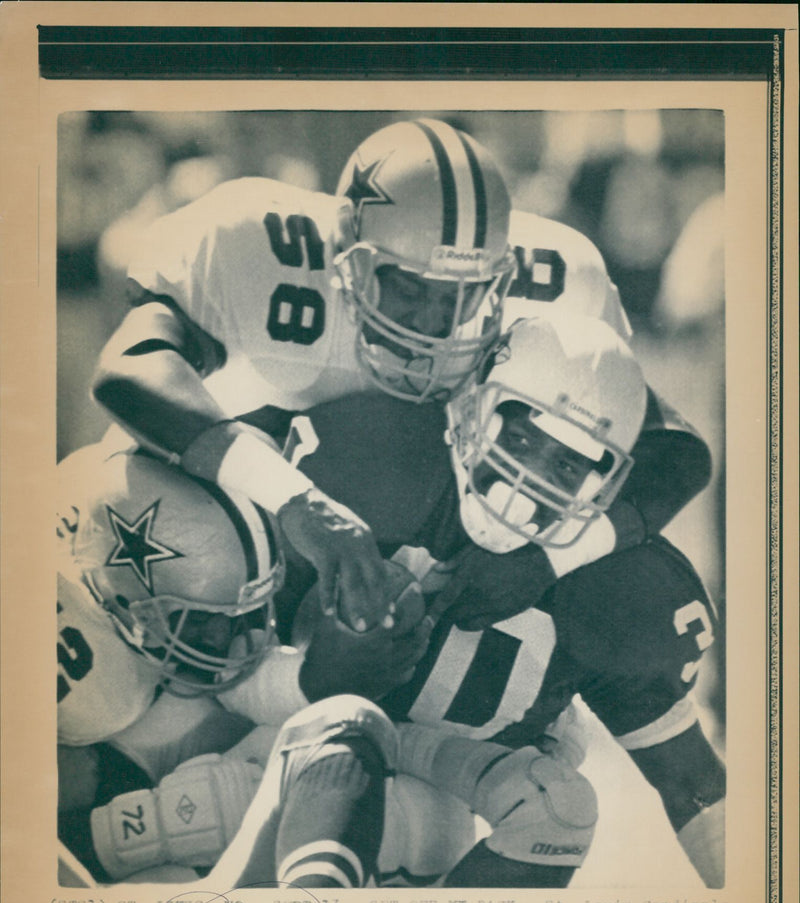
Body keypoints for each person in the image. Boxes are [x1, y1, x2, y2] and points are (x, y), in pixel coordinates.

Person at [89, 117, 709, 639]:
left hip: (407, 584)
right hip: (216, 570)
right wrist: (292, 499)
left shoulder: (556, 281)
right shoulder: (256, 242)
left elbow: (672, 451)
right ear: (348, 259)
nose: (435, 325)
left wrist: (550, 561)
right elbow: (129, 365)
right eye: (410, 289)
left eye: (462, 296)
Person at [212, 311, 724, 891]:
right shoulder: (372, 464)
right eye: (522, 437)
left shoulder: (610, 581)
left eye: (565, 464)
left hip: (444, 807)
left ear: (604, 486)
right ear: (471, 407)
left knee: (556, 806)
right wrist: (314, 679)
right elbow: (214, 671)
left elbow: (695, 786)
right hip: (283, 771)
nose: (528, 477)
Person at [56, 441, 430, 884]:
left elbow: (232, 675)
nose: (221, 636)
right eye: (200, 620)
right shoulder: (98, 691)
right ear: (113, 593)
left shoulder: (125, 467)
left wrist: (315, 681)